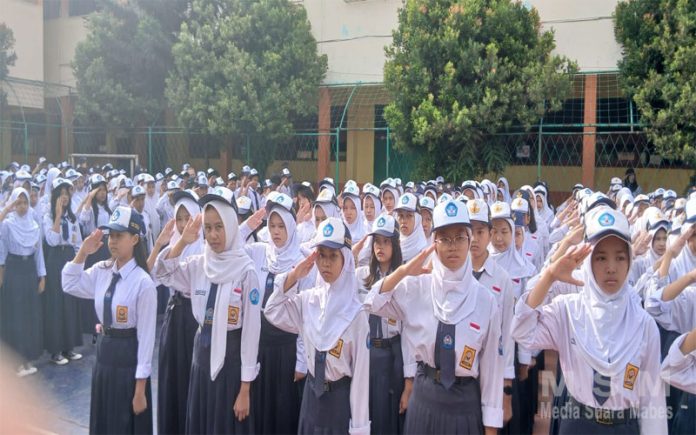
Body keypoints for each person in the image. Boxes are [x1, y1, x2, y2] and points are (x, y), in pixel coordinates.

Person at [511, 207, 667, 434]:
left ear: (630, 261)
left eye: (620, 257)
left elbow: (652, 399)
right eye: (601, 257)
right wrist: (550, 276)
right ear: (588, 261)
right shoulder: (568, 310)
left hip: (623, 426)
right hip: (578, 422)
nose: (611, 268)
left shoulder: (644, 325)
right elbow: (522, 330)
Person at [364, 200, 504, 434]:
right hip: (425, 400)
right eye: (444, 239)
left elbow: (492, 369)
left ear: (469, 240)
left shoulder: (485, 300)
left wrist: (490, 428)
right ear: (434, 244)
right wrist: (403, 271)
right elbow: (372, 302)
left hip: (464, 405)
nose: (452, 246)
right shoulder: (417, 288)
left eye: (460, 237)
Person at [155, 187, 260, 434]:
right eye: (208, 228)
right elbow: (163, 273)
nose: (213, 235)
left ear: (231, 227)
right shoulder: (199, 264)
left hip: (231, 363)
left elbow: (251, 333)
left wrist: (245, 388)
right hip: (201, 356)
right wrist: (183, 241)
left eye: (219, 227)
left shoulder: (246, 272)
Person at [265, 217, 371, 434]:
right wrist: (294, 275)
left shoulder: (356, 314)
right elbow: (272, 310)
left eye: (333, 256)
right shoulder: (308, 301)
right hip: (311, 396)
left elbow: (360, 379)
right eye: (321, 255)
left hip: (338, 402)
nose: (326, 263)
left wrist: (359, 428)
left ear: (346, 260)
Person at [62, 206, 157, 434]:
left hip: (128, 358)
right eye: (110, 235)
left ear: (134, 239)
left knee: (123, 424)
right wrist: (83, 252)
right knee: (103, 420)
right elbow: (69, 283)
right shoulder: (102, 271)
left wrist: (140, 389)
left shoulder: (143, 283)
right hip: (104, 354)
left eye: (119, 236)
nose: (112, 241)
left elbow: (146, 339)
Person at [244, 192, 313, 434]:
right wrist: (246, 227)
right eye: (272, 225)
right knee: (261, 406)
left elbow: (305, 315)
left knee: (283, 408)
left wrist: (301, 361)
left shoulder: (301, 261)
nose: (276, 231)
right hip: (260, 343)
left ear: (292, 227)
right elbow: (231, 249)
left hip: (287, 346)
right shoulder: (260, 252)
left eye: (281, 226)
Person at [153, 190, 203, 435]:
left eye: (188, 218)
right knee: (172, 378)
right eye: (179, 219)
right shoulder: (174, 245)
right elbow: (157, 275)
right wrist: (168, 244)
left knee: (192, 379)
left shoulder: (205, 246)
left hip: (196, 319)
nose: (183, 224)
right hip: (175, 317)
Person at [356, 215, 407, 434]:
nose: (380, 247)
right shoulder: (361, 276)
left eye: (386, 241)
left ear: (395, 244)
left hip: (391, 354)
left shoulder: (404, 279)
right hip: (366, 353)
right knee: (365, 413)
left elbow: (409, 331)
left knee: (386, 416)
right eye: (377, 241)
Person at [0, 188, 46, 377]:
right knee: (16, 315)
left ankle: (27, 358)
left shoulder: (34, 225)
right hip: (14, 269)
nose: (22, 206)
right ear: (13, 204)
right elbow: (2, 250)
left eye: (25, 202)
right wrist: (2, 274)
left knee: (29, 315)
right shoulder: (7, 224)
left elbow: (39, 254)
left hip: (29, 271)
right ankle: (16, 361)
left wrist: (42, 276)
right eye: (18, 203)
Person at [42, 178, 84, 365]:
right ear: (55, 197)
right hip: (55, 259)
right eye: (61, 194)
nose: (64, 197)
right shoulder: (48, 216)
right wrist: (58, 216)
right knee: (57, 304)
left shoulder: (72, 217)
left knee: (69, 301)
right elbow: (51, 240)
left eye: (67, 194)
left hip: (69, 257)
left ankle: (69, 347)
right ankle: (56, 351)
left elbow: (78, 242)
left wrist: (78, 263)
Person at [394, 193, 428, 262]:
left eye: (409, 216)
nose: (403, 221)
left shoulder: (424, 251)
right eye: (400, 215)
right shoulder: (392, 245)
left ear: (417, 219)